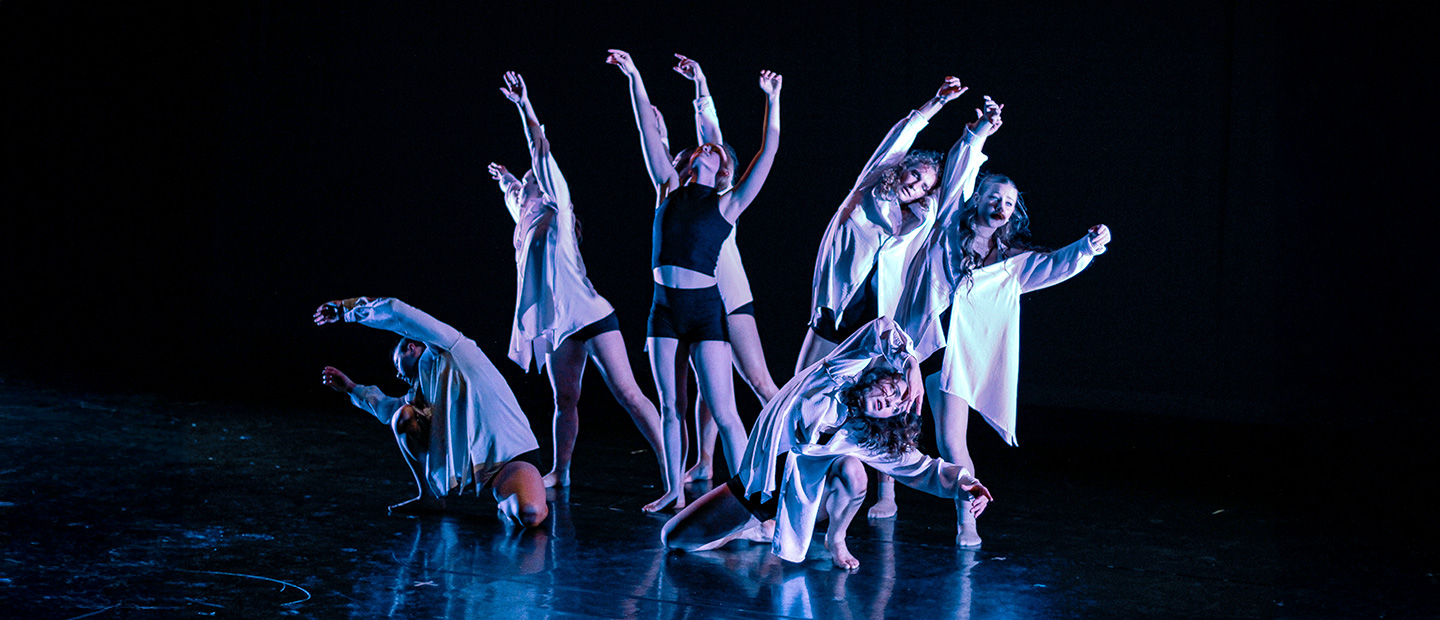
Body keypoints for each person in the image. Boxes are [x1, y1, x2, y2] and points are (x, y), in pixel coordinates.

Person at [795, 82, 1004, 518]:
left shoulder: (927, 220)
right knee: (804, 402)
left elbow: (959, 188)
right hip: (836, 310)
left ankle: (884, 493)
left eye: (925, 181)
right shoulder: (873, 191)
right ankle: (798, 500)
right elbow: (898, 140)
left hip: (882, 320)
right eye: (913, 172)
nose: (914, 181)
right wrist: (938, 103)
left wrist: (978, 134)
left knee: (882, 408)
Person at [661, 317, 992, 571]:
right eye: (890, 390)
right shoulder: (837, 373)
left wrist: (968, 484)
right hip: (758, 488)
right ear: (877, 377)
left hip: (804, 499)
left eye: (894, 406)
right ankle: (757, 529)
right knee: (674, 540)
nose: (887, 402)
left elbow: (925, 470)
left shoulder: (866, 436)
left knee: (853, 469)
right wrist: (910, 364)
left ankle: (836, 539)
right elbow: (880, 329)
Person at [607, 49, 781, 511]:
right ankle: (673, 488)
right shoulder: (666, 186)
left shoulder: (727, 203)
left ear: (723, 167)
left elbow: (767, 151)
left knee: (725, 411)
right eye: (701, 146)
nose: (706, 145)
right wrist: (635, 75)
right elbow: (647, 130)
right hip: (663, 307)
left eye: (715, 148)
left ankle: (752, 497)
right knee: (671, 407)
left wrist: (772, 99)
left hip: (706, 310)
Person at [900, 172, 1112, 547]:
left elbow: (1056, 264)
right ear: (977, 198)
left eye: (1009, 203)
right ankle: (886, 493)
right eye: (995, 198)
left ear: (1014, 214)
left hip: (956, 356)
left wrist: (1089, 245)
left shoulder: (1012, 265)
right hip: (918, 345)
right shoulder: (946, 236)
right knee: (897, 420)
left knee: (951, 443)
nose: (1001, 206)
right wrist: (976, 135)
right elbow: (954, 184)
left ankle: (967, 520)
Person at [486, 71, 666, 490]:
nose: (530, 177)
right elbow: (515, 192)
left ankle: (669, 464)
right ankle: (561, 472)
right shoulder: (526, 217)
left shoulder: (559, 208)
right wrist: (506, 180)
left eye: (533, 176)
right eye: (527, 180)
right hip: (559, 325)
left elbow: (539, 149)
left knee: (628, 393)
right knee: (564, 399)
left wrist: (523, 105)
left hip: (592, 314)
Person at [314, 297, 548, 528]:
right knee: (404, 416)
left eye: (397, 364)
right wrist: (351, 388)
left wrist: (345, 309)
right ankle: (429, 497)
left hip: (508, 457)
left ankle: (508, 499)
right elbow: (391, 410)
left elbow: (397, 312)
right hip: (469, 470)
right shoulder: (422, 389)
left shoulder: (454, 347)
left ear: (412, 347)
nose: (397, 374)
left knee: (529, 515)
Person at [663, 54, 783, 483]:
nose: (710, 158)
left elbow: (712, 136)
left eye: (719, 160)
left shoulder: (725, 198)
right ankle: (705, 461)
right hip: (699, 300)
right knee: (707, 387)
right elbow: (706, 144)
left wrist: (702, 86)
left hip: (731, 298)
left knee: (758, 382)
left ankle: (792, 456)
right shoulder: (683, 199)